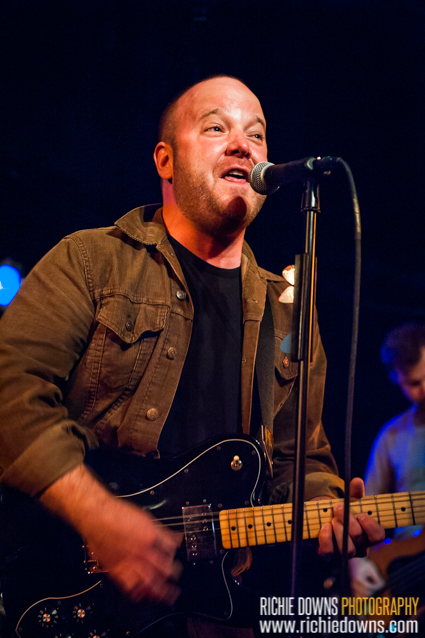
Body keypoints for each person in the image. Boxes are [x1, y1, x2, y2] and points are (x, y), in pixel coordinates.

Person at [0, 75, 383, 637]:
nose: (243, 145)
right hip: (68, 588)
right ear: (166, 160)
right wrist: (97, 514)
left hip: (215, 613)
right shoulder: (92, 262)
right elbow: (10, 389)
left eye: (256, 134)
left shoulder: (287, 311)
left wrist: (327, 506)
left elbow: (299, 457)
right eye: (216, 128)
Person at [350, 323, 425, 598]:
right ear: (396, 378)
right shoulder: (391, 436)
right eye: (413, 383)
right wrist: (357, 566)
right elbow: (363, 513)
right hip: (407, 573)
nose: (424, 389)